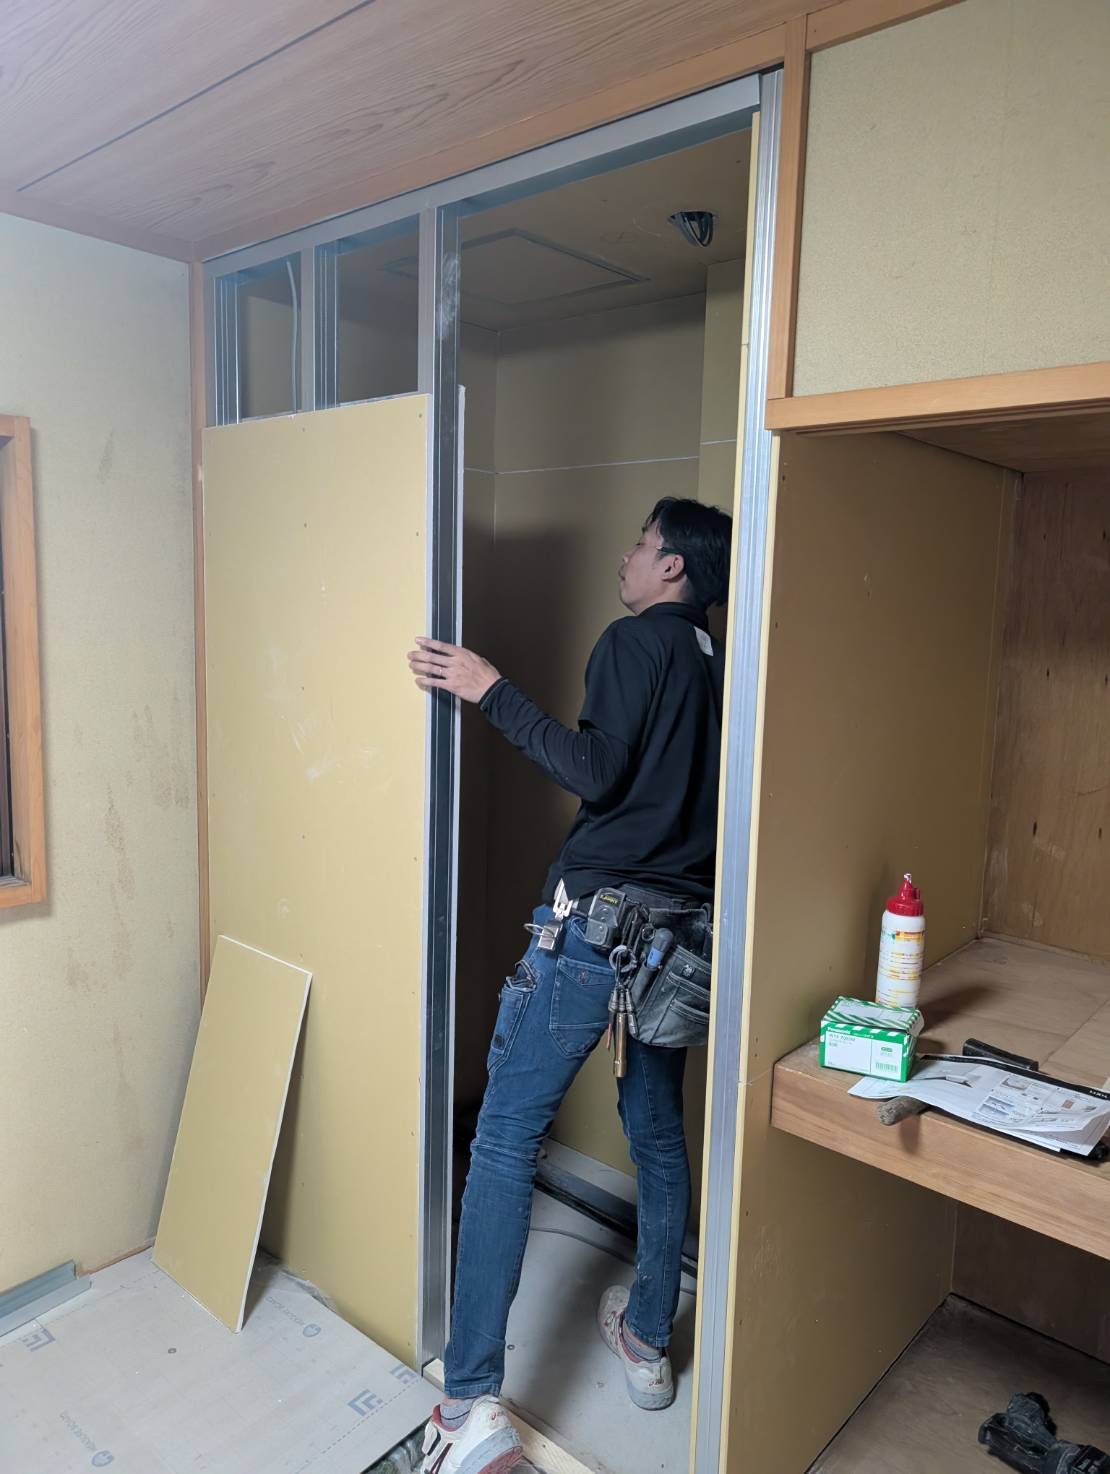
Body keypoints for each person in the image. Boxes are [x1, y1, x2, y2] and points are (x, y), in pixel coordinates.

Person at [407, 496, 732, 1474]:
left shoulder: (637, 642)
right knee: (659, 1137)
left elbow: (595, 770)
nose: (626, 557)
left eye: (641, 545)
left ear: (673, 568)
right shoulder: (719, 662)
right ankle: (646, 1341)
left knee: (505, 1137)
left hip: (595, 929)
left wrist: (489, 689)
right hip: (675, 941)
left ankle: (467, 1400)